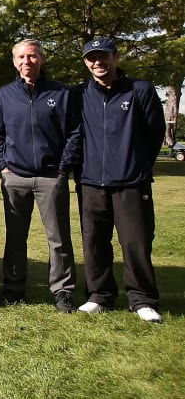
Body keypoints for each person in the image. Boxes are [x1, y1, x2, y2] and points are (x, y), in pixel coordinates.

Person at [75, 38, 165, 323]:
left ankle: (142, 299)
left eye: (103, 56)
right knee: (94, 242)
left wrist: (136, 165)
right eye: (92, 58)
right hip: (91, 182)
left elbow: (154, 134)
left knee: (135, 242)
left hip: (131, 182)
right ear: (86, 62)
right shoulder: (80, 94)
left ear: (115, 57)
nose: (97, 62)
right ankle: (99, 295)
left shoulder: (140, 90)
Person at [0, 38, 79, 312]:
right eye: (21, 58)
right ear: (14, 62)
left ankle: (63, 291)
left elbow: (74, 133)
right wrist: (3, 166)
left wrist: (64, 167)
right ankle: (13, 289)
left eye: (32, 56)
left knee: (58, 238)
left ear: (42, 58)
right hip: (15, 176)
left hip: (51, 176)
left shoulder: (61, 93)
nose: (27, 62)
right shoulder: (5, 95)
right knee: (15, 237)